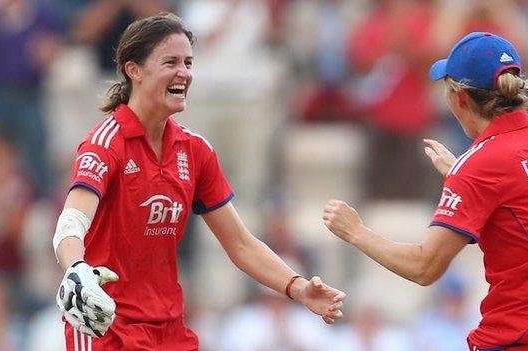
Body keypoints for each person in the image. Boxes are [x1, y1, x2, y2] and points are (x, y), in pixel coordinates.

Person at [52, 13, 345, 350]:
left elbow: (241, 244)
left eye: (188, 62)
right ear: (134, 70)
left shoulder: (195, 151)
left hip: (169, 331)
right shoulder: (106, 143)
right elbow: (71, 222)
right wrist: (76, 268)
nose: (185, 73)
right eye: (171, 62)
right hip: (106, 329)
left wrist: (298, 287)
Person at [323, 32, 528, 350]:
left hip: (527, 338)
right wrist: (463, 176)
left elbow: (424, 268)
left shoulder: (480, 167)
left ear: (460, 98)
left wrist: (356, 232)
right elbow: (525, 209)